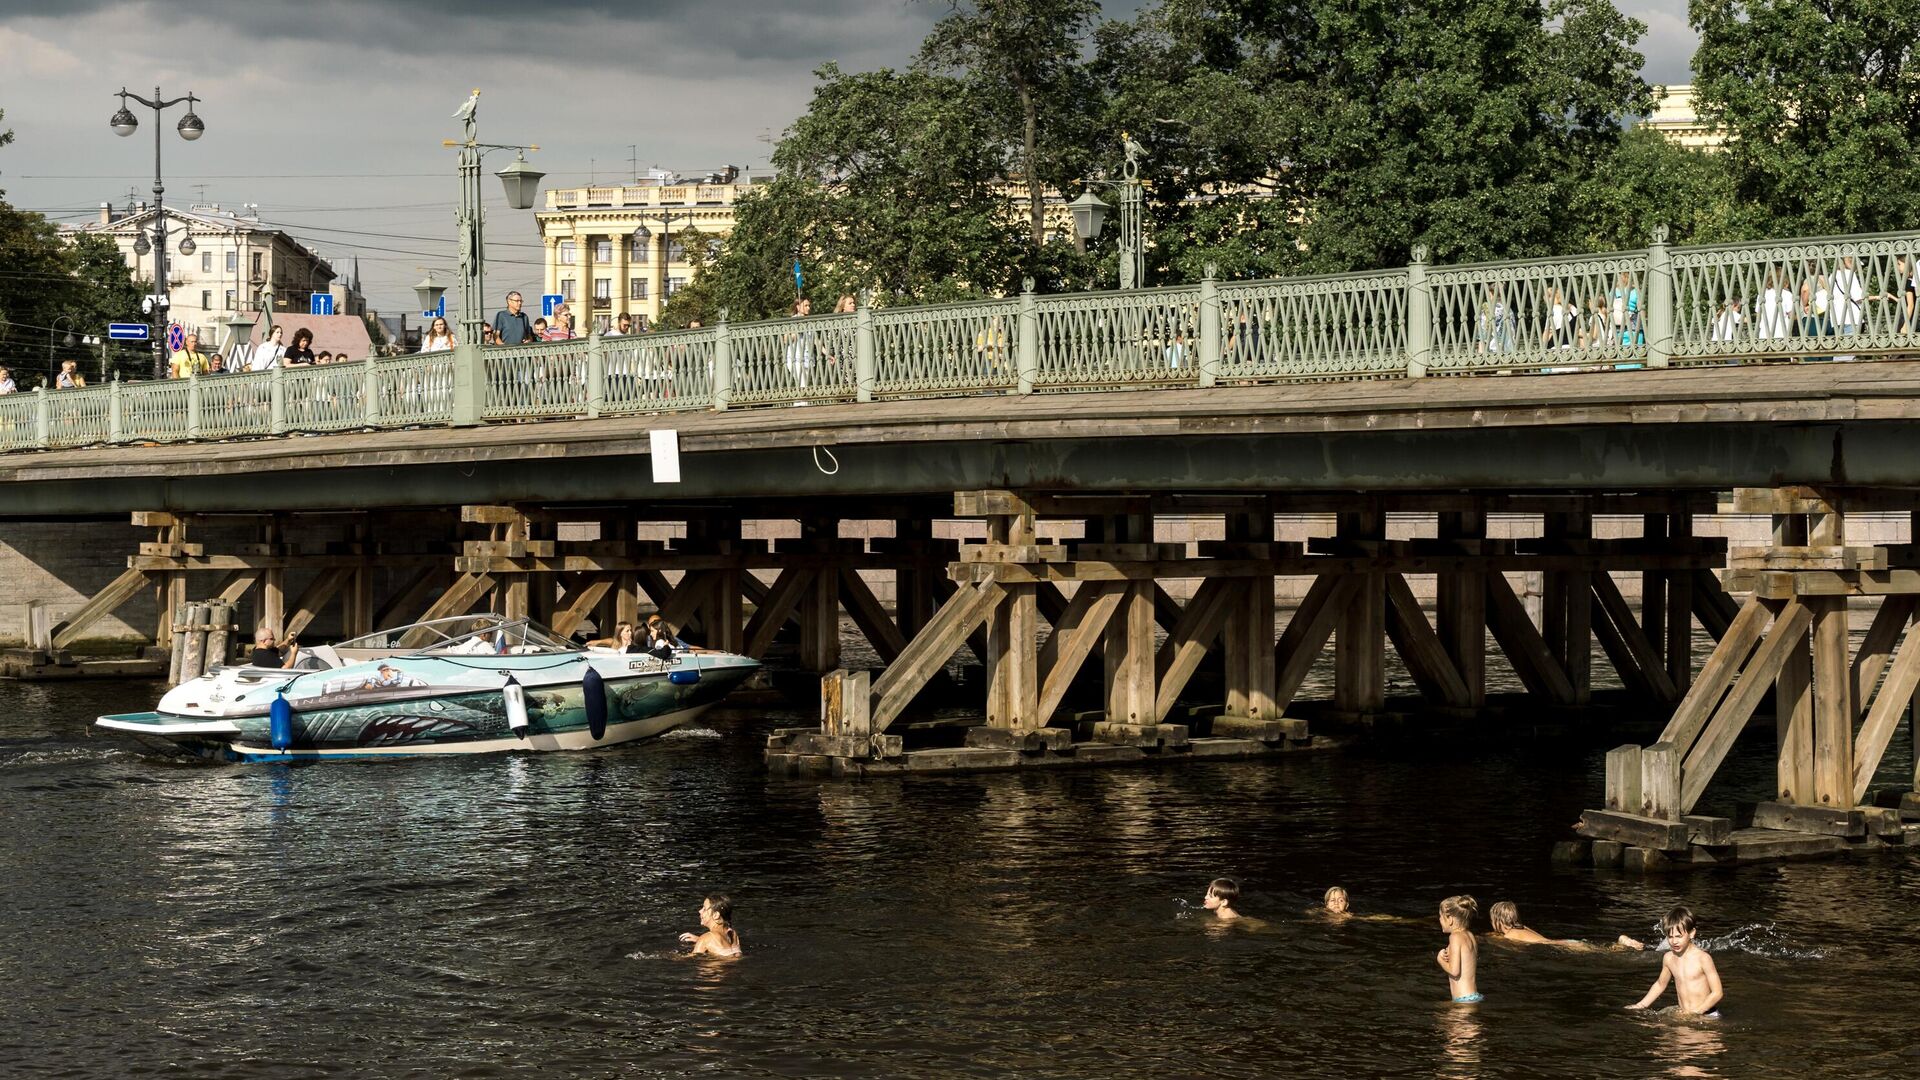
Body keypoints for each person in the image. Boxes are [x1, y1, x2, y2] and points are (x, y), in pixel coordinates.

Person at [1627, 906, 1723, 1018]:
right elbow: (1660, 984)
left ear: (1692, 933)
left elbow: (1717, 992)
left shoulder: (1703, 958)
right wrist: (1641, 1005)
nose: (1674, 941)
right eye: (1670, 937)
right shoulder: (1669, 958)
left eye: (1678, 936)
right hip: (1685, 1014)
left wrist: (1696, 1013)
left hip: (1706, 1013)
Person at [1436, 895, 1480, 1003]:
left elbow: (1454, 971)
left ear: (1449, 919)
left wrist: (1440, 960)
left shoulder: (1454, 937)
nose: (1439, 919)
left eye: (1440, 916)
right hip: (1473, 996)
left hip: (1463, 999)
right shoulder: (1470, 935)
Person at [679, 894, 742, 958]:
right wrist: (699, 940)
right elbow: (728, 953)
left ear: (716, 915)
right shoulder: (733, 934)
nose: (699, 911)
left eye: (704, 909)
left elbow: (689, 959)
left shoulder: (706, 939)